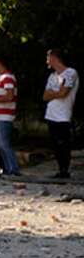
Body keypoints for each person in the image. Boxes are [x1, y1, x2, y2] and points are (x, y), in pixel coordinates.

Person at [44, 48, 77, 180]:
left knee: (64, 143)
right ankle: (60, 169)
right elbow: (45, 96)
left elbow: (64, 93)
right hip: (51, 114)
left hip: (63, 114)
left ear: (54, 57)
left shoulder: (70, 73)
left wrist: (54, 93)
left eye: (48, 57)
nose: (47, 61)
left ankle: (65, 169)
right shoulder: (52, 76)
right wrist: (57, 92)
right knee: (55, 144)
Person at [0, 56, 22, 177]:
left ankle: (13, 168)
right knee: (0, 144)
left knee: (4, 143)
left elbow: (9, 96)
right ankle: (7, 168)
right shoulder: (0, 79)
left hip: (4, 116)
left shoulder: (8, 78)